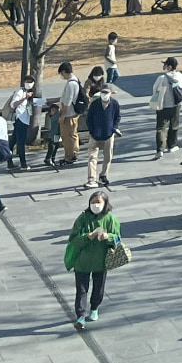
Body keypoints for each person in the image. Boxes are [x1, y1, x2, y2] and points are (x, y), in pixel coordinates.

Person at [63, 189, 122, 330]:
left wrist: (108, 237)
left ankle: (94, 307)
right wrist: (86, 237)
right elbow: (73, 239)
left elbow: (118, 238)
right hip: (82, 262)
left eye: (98, 202)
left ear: (105, 204)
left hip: (101, 262)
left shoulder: (110, 219)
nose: (95, 205)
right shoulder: (83, 218)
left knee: (98, 289)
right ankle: (80, 315)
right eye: (93, 202)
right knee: (81, 290)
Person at [84, 80, 122, 189]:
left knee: (108, 156)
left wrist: (113, 129)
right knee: (92, 156)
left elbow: (117, 117)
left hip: (109, 134)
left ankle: (103, 175)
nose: (104, 95)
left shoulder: (115, 104)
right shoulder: (94, 104)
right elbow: (89, 119)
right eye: (103, 93)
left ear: (111, 93)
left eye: (107, 93)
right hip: (95, 134)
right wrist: (92, 131)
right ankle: (91, 178)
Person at [151, 58, 182, 155]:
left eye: (165, 65)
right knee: (174, 125)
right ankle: (172, 145)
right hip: (176, 105)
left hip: (163, 105)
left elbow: (154, 89)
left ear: (169, 66)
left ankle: (160, 149)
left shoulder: (161, 78)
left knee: (161, 127)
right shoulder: (181, 76)